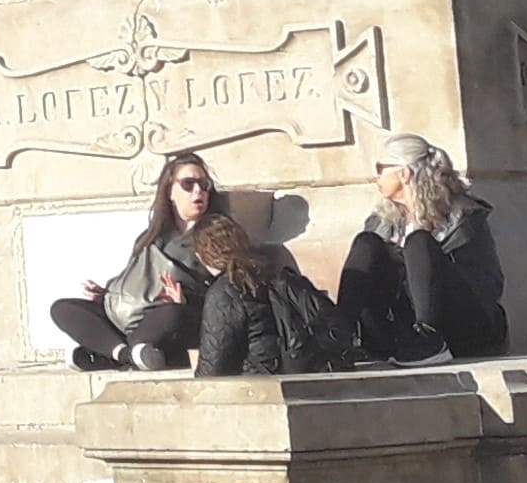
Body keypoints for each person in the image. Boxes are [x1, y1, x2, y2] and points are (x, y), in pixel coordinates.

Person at [338, 134, 509, 363]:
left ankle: (429, 338)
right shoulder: (382, 220)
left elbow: (488, 285)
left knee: (419, 241)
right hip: (402, 323)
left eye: (381, 168)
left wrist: (421, 260)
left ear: (404, 173)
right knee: (367, 242)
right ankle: (340, 333)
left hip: (464, 325)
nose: (375, 176)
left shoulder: (463, 217)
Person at [51, 151, 220, 369]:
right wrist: (104, 294)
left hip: (172, 317)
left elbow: (225, 294)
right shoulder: (150, 235)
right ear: (170, 191)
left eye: (204, 184)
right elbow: (136, 284)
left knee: (173, 314)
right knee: (63, 308)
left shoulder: (214, 233)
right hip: (131, 316)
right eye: (188, 184)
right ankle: (127, 356)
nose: (198, 191)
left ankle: (108, 356)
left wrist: (185, 301)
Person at [188, 213, 353, 376]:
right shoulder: (276, 273)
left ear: (203, 255)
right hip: (310, 371)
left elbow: (213, 370)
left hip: (261, 387)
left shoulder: (224, 292)